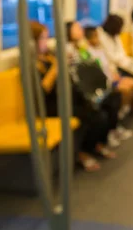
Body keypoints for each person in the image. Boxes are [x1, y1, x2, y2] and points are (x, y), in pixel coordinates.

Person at [31, 21, 115, 172]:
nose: (46, 42)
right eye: (43, 38)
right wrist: (57, 67)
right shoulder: (31, 65)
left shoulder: (49, 56)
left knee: (101, 109)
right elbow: (41, 91)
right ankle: (81, 153)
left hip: (67, 98)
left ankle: (93, 145)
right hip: (51, 105)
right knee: (93, 117)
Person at [66, 21, 133, 147]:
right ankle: (101, 139)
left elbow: (91, 64)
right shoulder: (68, 49)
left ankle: (112, 129)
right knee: (102, 107)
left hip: (92, 82)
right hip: (82, 88)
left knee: (114, 97)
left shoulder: (82, 47)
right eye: (77, 28)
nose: (80, 30)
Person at [84, 26, 133, 120]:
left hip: (111, 76)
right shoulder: (88, 53)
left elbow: (108, 64)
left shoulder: (100, 49)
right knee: (126, 89)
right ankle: (118, 113)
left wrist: (114, 73)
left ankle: (122, 109)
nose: (98, 39)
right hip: (105, 82)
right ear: (89, 39)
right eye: (95, 37)